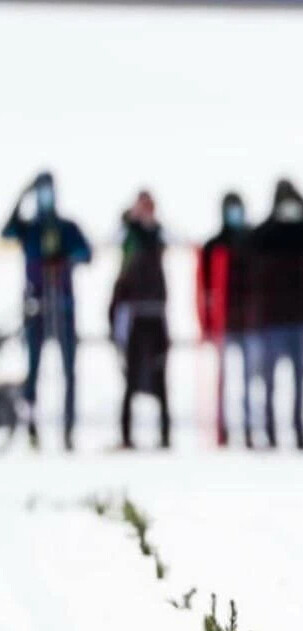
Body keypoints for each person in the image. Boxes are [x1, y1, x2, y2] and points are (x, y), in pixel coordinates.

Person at [2, 171, 91, 449]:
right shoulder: (29, 228)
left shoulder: (67, 227)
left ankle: (68, 430)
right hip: (36, 309)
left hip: (63, 308)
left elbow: (86, 253)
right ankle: (31, 429)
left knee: (68, 371)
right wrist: (21, 196)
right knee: (34, 372)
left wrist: (65, 259)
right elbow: (7, 231)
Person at [250, 179, 303, 450]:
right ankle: (270, 432)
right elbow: (251, 242)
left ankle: (299, 432)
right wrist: (275, 218)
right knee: (270, 381)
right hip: (272, 320)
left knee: (298, 380)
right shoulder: (267, 233)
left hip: (298, 319)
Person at [197, 192, 260, 447]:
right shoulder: (214, 245)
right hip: (224, 323)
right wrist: (207, 323)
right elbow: (204, 289)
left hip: (248, 321)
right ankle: (221, 430)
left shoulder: (253, 243)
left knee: (248, 380)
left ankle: (247, 430)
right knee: (222, 380)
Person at [110, 191, 170, 449]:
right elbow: (114, 239)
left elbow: (177, 235)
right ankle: (125, 436)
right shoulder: (128, 236)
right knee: (130, 378)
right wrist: (131, 221)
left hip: (156, 313)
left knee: (160, 375)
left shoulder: (160, 234)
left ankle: (166, 435)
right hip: (134, 314)